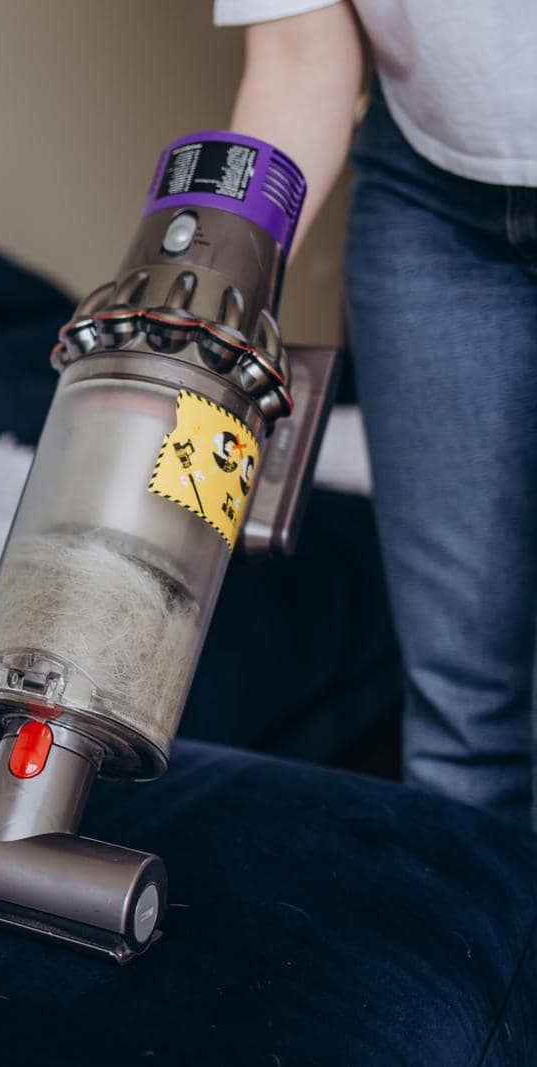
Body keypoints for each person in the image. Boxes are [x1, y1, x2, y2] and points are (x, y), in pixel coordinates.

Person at [217, 0, 537, 827]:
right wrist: (210, 297)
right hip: (430, 195)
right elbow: (297, 59)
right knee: (461, 710)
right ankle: (482, 954)